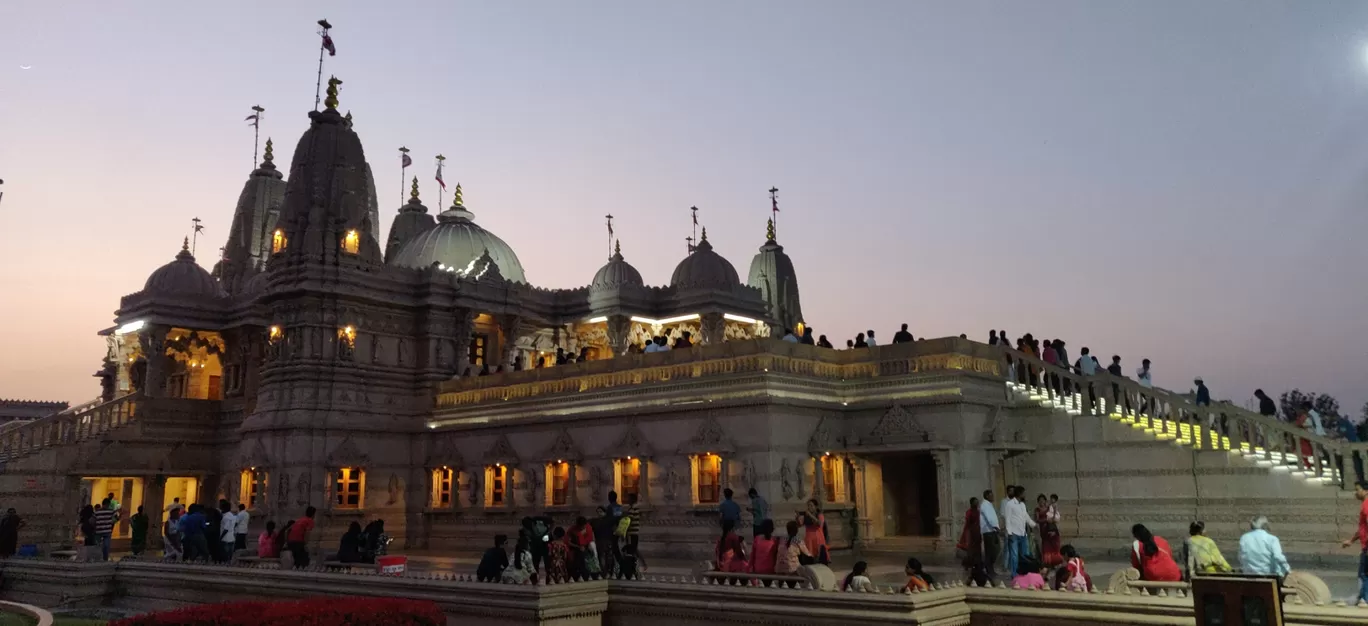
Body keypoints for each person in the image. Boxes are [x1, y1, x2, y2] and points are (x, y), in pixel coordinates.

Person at [1339, 481, 1368, 606]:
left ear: (1366, 491)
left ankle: (1365, 600)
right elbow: (1363, 528)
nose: (1356, 493)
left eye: (1357, 489)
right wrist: (1351, 541)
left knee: (1364, 574)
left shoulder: (1366, 505)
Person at [1002, 486, 1035, 579]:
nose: (1025, 495)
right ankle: (1014, 574)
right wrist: (1009, 533)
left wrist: (1034, 525)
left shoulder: (1022, 505)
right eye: (1024, 493)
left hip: (1023, 533)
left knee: (1025, 554)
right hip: (1014, 534)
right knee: (1014, 556)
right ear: (1020, 494)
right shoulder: (1010, 504)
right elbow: (1007, 519)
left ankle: (1025, 572)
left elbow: (1026, 517)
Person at [797, 499, 829, 564]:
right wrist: (797, 517)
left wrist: (810, 515)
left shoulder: (820, 515)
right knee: (809, 558)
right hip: (809, 539)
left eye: (811, 505)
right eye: (808, 505)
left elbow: (819, 524)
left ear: (815, 507)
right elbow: (799, 525)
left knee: (819, 557)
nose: (809, 507)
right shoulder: (806, 516)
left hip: (818, 538)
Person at [1035, 494, 1061, 568]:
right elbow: (1037, 520)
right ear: (1038, 502)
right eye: (1040, 501)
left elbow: (1055, 516)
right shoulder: (1037, 510)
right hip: (1044, 530)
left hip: (1052, 529)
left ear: (1045, 501)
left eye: (1043, 500)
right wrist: (1046, 520)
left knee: (1055, 545)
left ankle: (1056, 562)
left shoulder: (1049, 508)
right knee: (1046, 547)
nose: (1041, 502)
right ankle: (1048, 563)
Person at [979, 490, 1001, 578]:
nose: (993, 497)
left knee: (995, 550)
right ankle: (988, 568)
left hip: (993, 530)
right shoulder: (984, 505)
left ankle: (988, 567)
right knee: (991, 551)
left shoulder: (989, 505)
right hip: (988, 531)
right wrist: (995, 527)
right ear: (987, 496)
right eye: (991, 495)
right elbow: (989, 518)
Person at [957, 497, 983, 572]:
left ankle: (978, 564)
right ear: (971, 503)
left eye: (977, 502)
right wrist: (966, 534)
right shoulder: (969, 512)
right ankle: (968, 565)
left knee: (978, 549)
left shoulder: (978, 512)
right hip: (971, 532)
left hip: (977, 532)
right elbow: (967, 524)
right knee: (971, 550)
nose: (977, 504)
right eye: (975, 502)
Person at [624, 493, 646, 572]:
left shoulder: (632, 509)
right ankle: (641, 564)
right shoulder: (635, 509)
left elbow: (629, 521)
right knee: (634, 549)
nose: (627, 500)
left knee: (632, 549)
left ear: (632, 500)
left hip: (632, 533)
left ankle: (639, 565)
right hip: (634, 532)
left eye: (628, 498)